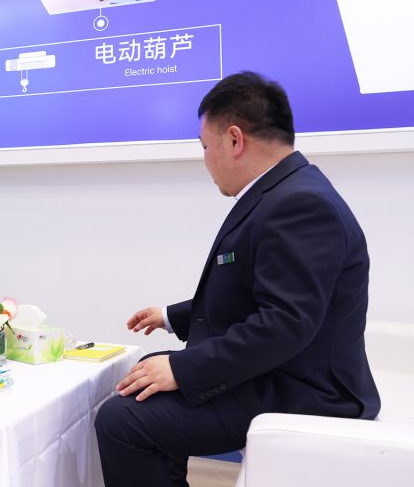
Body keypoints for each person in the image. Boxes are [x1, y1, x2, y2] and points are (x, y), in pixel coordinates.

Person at [93, 72, 380, 487]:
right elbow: (255, 293)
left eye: (204, 146)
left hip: (305, 392)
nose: (205, 159)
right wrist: (172, 317)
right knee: (144, 377)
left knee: (122, 420)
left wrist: (183, 369)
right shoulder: (285, 191)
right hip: (284, 372)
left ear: (234, 140)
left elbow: (284, 324)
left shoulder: (299, 204)